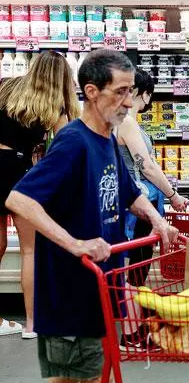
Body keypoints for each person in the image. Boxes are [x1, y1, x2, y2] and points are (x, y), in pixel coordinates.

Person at [5, 48, 179, 382]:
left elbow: (129, 194)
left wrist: (158, 221)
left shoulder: (107, 140)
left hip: (100, 284)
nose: (129, 102)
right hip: (69, 290)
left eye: (130, 91)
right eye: (120, 92)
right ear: (91, 92)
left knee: (94, 373)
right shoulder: (73, 141)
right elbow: (20, 199)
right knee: (72, 378)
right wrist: (76, 244)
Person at [0, 51, 80, 339]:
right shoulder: (55, 105)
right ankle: (32, 324)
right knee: (30, 251)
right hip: (18, 173)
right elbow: (66, 147)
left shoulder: (7, 87)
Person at [115, 68, 188, 350]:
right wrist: (173, 195)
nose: (148, 104)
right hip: (139, 207)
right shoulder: (128, 123)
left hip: (135, 204)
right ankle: (132, 336)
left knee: (133, 268)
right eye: (148, 97)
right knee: (136, 269)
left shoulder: (117, 121)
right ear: (141, 93)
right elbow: (145, 166)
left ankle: (134, 326)